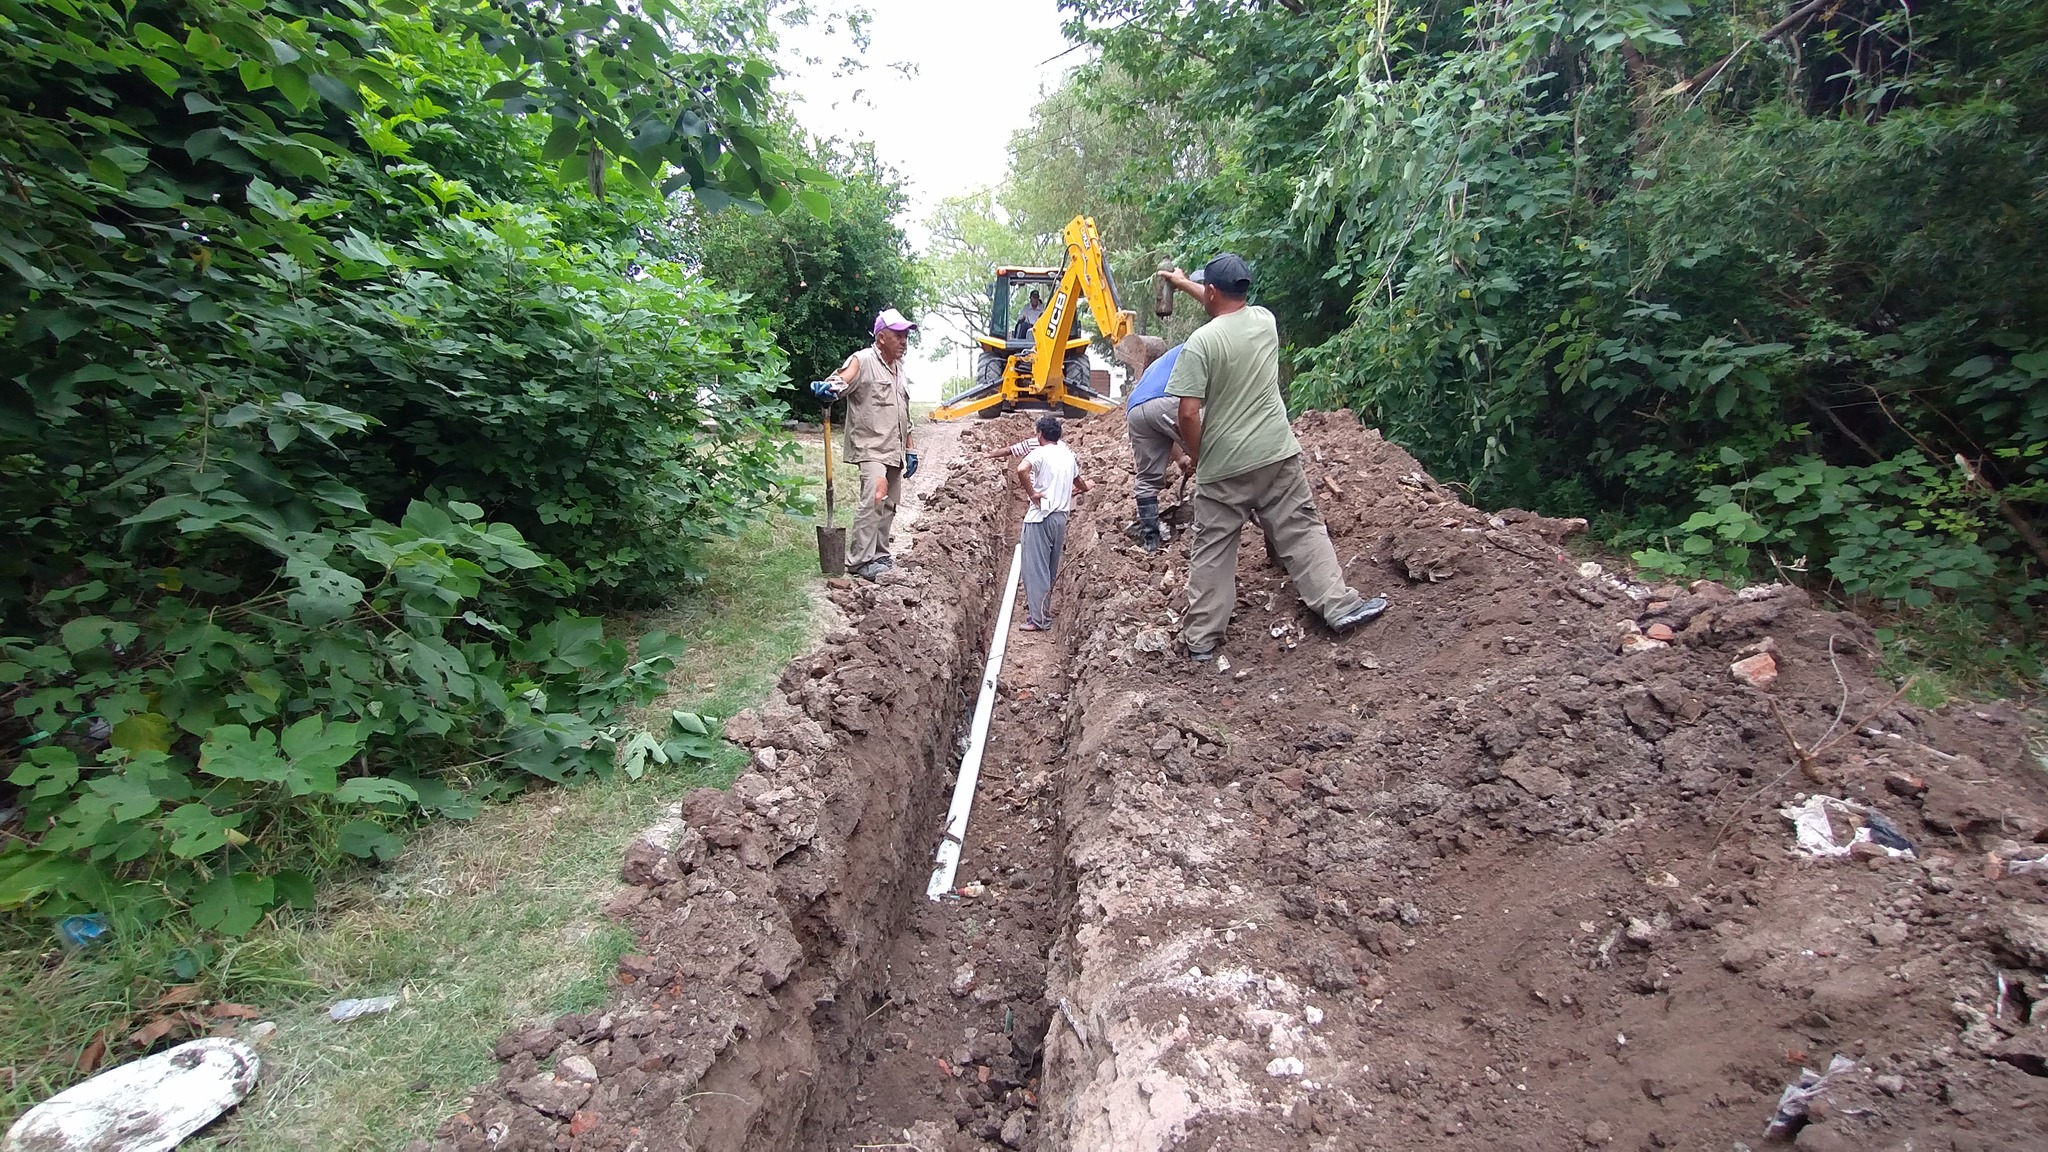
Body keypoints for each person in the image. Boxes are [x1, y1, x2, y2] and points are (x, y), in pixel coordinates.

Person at [1158, 254, 1387, 659]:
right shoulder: (1265, 320)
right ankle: (1340, 606)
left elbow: (1189, 413)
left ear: (1211, 291)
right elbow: (1222, 304)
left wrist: (1199, 454)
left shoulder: (1200, 344)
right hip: (1276, 452)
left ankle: (1201, 642)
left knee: (1214, 549)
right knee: (1301, 528)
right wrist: (1181, 283)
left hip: (1225, 464)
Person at [813, 308, 920, 580]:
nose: (903, 341)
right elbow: (841, 380)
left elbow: (903, 412)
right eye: (898, 336)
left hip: (894, 448)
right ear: (881, 337)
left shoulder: (900, 369)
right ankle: (860, 560)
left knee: (889, 504)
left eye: (906, 336)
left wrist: (910, 448)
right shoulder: (863, 360)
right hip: (871, 447)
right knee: (874, 500)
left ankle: (880, 555)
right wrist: (829, 389)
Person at [1012, 415, 1090, 633]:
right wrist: (1083, 489)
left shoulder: (1039, 453)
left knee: (1036, 570)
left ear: (1039, 434)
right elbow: (1078, 481)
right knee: (1049, 567)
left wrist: (1032, 493)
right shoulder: (1067, 456)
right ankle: (1043, 611)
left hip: (1040, 518)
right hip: (1060, 518)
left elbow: (1021, 470)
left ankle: (1038, 620)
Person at [1123, 341, 1193, 552]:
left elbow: (1159, 425)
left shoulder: (1156, 366)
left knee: (1147, 478)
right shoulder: (1205, 345)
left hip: (1135, 409)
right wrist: (1199, 453)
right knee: (1215, 458)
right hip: (1169, 399)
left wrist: (1181, 458)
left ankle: (1151, 541)